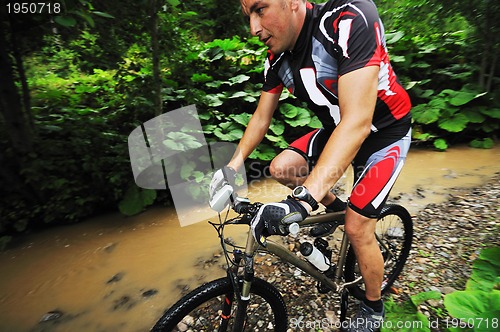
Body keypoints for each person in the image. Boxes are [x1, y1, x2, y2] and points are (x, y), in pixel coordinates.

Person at [210, 0, 412, 330]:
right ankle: (335, 208)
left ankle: (374, 308)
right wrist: (233, 166)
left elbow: (358, 122)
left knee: (358, 228)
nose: (254, 28)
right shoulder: (276, 58)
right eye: (248, 16)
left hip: (382, 133)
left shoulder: (346, 19)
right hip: (337, 130)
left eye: (260, 9)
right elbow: (261, 118)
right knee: (281, 167)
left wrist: (302, 201)